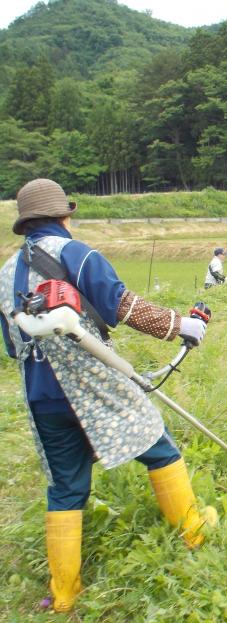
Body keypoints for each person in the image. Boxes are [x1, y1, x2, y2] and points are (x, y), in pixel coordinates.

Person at [0, 179, 215, 613]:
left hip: (41, 394)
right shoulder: (75, 254)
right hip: (94, 382)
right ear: (65, 216)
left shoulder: (5, 274)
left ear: (25, 224)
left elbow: (10, 344)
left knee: (65, 487)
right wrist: (180, 325)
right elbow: (120, 304)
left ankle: (64, 594)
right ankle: (194, 533)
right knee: (159, 447)